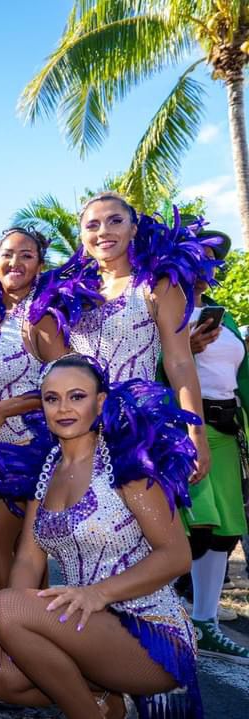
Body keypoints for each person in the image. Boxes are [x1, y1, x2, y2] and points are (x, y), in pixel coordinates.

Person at [0, 354, 202, 718]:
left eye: (77, 396)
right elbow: (29, 561)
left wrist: (98, 593)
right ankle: (111, 706)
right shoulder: (46, 472)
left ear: (101, 402)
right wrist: (5, 628)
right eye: (52, 398)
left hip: (151, 634)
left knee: (4, 606)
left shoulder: (129, 465)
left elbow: (176, 555)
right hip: (85, 626)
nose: (63, 408)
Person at [68, 193, 211, 482]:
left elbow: (180, 363)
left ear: (134, 229)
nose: (103, 231)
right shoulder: (73, 295)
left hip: (139, 433)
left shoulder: (156, 287)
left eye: (115, 221)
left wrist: (196, 432)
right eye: (92, 225)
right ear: (82, 236)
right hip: (76, 430)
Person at [0, 227, 69, 590]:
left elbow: (68, 385)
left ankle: (16, 628)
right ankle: (32, 634)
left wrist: (5, 409)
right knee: (26, 553)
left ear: (39, 265)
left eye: (26, 255)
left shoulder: (42, 316)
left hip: (30, 453)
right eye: (8, 253)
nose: (15, 262)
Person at [171, 226, 249, 662]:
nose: (206, 266)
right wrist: (185, 344)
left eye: (212, 260)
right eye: (198, 256)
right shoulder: (162, 307)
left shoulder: (227, 316)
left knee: (223, 533)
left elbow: (241, 378)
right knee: (192, 529)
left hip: (224, 430)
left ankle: (205, 622)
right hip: (180, 432)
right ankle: (163, 614)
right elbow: (156, 365)